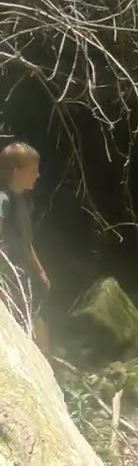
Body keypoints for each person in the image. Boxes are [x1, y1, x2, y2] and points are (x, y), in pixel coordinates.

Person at [0, 141, 49, 345]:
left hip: (24, 271)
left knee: (35, 316)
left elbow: (26, 240)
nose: (38, 175)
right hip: (8, 275)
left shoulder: (24, 201)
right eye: (33, 170)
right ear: (17, 172)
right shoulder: (3, 200)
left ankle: (47, 363)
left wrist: (39, 270)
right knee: (27, 321)